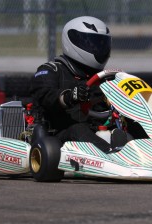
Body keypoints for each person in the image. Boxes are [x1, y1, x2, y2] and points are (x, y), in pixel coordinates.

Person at [30, 16, 113, 152]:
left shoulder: (103, 78)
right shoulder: (51, 70)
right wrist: (69, 96)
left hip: (95, 132)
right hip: (56, 136)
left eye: (101, 44)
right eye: (91, 44)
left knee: (128, 126)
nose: (97, 49)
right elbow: (45, 97)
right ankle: (112, 157)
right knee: (78, 129)